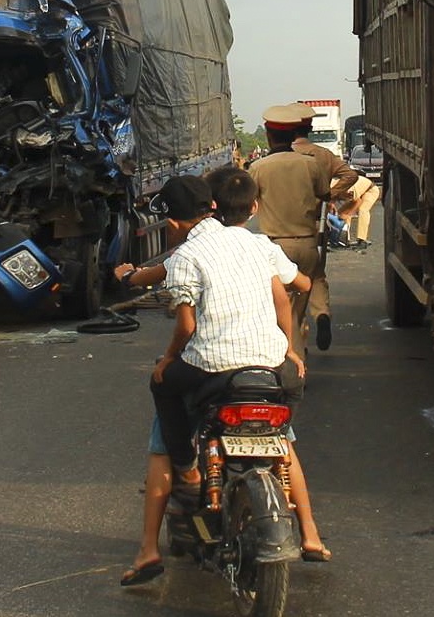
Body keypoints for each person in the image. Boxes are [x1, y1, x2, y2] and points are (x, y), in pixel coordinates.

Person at [146, 174, 305, 544]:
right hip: (270, 365)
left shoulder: (185, 256)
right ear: (213, 206)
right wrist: (289, 349)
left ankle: (186, 468)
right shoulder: (257, 243)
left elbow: (186, 327)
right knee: (287, 417)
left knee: (162, 386)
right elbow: (286, 297)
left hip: (213, 366)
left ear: (172, 223)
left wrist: (168, 358)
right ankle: (309, 529)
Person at [249, 103, 358, 351]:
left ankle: (296, 362)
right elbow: (325, 193)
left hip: (275, 246)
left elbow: (249, 201)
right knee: (313, 283)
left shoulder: (258, 167)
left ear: (268, 135)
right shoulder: (312, 163)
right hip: (309, 241)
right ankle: (320, 315)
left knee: (287, 313)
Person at [340, 173, 381, 250]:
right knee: (342, 212)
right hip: (360, 191)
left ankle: (362, 240)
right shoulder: (332, 185)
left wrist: (349, 214)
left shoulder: (349, 188)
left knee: (363, 210)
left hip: (370, 190)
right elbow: (330, 202)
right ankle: (344, 239)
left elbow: (357, 202)